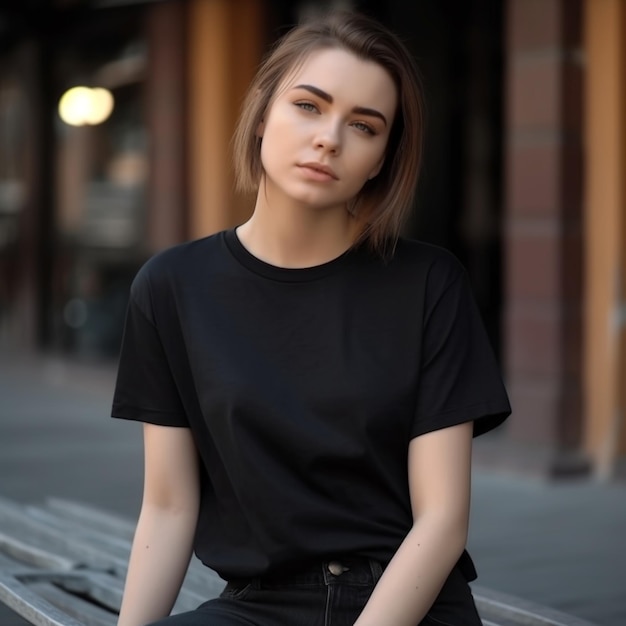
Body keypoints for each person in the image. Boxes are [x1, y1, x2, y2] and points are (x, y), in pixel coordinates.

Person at [111, 10, 511, 626]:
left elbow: (442, 522)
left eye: (364, 126)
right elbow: (167, 508)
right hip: (257, 606)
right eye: (308, 106)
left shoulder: (430, 284)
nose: (330, 138)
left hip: (404, 604)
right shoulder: (170, 287)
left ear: (381, 158)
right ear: (263, 112)